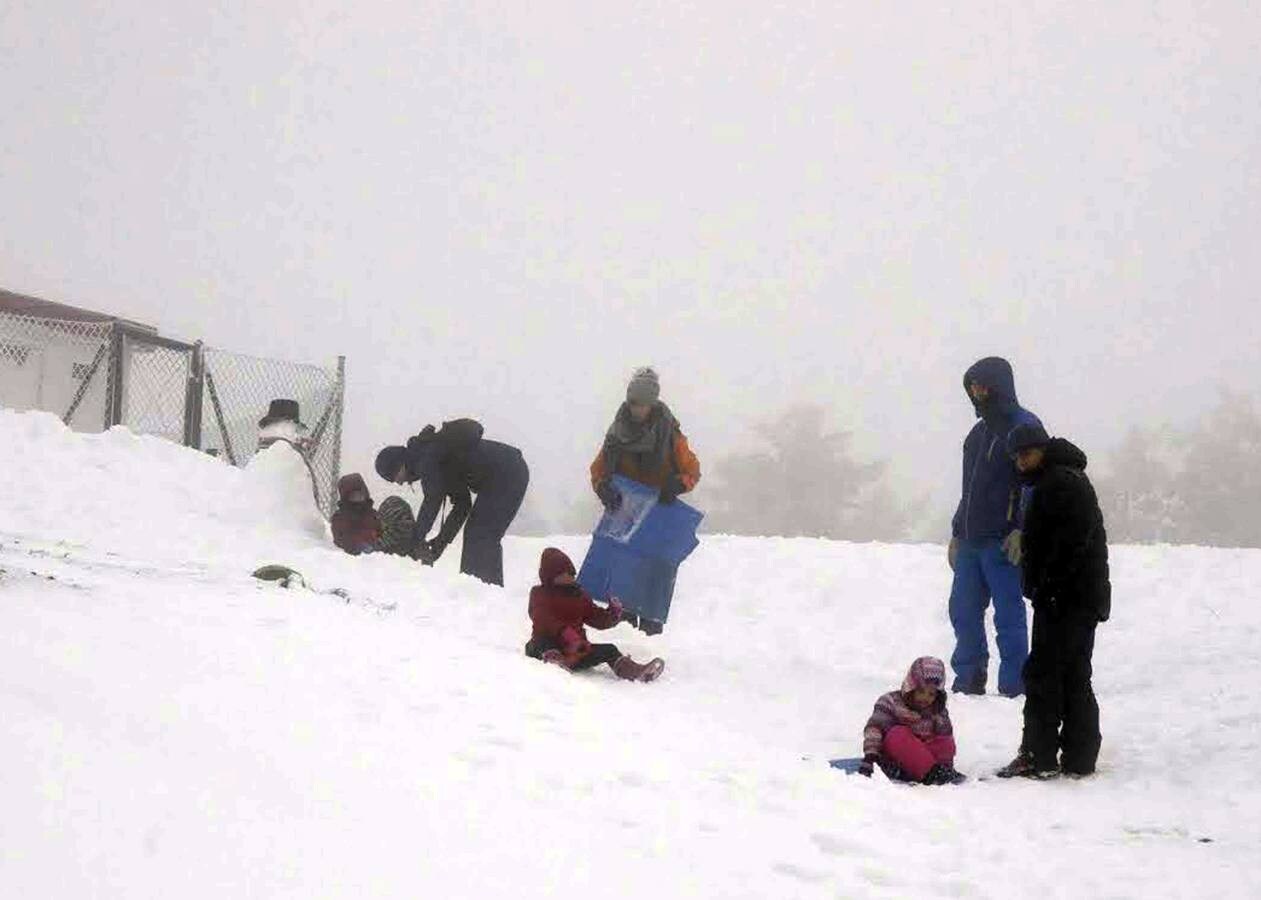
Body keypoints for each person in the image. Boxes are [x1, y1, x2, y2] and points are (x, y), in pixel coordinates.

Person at [997, 423, 1110, 779]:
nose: (1021, 462)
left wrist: (1046, 586)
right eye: (1016, 456)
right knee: (1074, 673)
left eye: (1027, 453)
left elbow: (1067, 544)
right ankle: (1079, 758)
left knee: (1045, 675)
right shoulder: (1065, 478)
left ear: (1042, 450)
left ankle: (1038, 755)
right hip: (1077, 597)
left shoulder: (1059, 483)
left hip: (1065, 599)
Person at [947, 357, 1043, 697]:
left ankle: (1015, 685)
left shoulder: (1023, 426)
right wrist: (957, 532)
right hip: (972, 541)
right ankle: (969, 678)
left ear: (999, 385)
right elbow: (968, 489)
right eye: (972, 386)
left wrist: (1023, 528)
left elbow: (1034, 482)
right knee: (962, 610)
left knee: (1009, 615)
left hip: (1003, 541)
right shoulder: (977, 434)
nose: (976, 391)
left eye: (982, 384)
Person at [374, 418, 528, 586]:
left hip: (507, 473)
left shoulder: (427, 458)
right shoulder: (435, 458)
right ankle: (476, 587)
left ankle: (483, 590)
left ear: (398, 464)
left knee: (482, 533)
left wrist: (415, 539)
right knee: (477, 532)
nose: (399, 483)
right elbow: (462, 505)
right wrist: (441, 542)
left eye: (394, 477)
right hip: (506, 472)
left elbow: (433, 498)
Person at [525, 548, 664, 682]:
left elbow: (597, 618)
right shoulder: (540, 594)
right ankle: (554, 664)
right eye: (561, 574)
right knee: (541, 643)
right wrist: (564, 632)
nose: (567, 577)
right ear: (550, 577)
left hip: (576, 650)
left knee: (609, 649)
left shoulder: (579, 595)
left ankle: (634, 672)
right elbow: (542, 618)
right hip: (547, 647)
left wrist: (613, 613)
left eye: (570, 573)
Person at [590, 366, 701, 511]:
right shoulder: (615, 436)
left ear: (652, 404)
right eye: (634, 403)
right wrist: (602, 488)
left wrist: (678, 484)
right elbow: (598, 472)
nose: (638, 409)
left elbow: (692, 471)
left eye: (644, 404)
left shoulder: (669, 434)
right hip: (626, 512)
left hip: (660, 510)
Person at [857, 656, 966, 785]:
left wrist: (946, 765)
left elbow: (945, 742)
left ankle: (938, 772)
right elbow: (874, 729)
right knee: (898, 734)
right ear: (911, 686)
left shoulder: (937, 710)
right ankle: (929, 773)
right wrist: (871, 756)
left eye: (931, 694)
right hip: (893, 758)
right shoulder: (890, 702)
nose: (926, 698)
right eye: (921, 691)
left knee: (944, 739)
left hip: (926, 760)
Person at [329, 473, 416, 557]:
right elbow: (343, 539)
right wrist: (370, 538)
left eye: (360, 495)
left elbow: (380, 529)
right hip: (361, 554)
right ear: (346, 498)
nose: (358, 498)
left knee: (394, 503)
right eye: (354, 496)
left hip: (379, 547)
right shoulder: (340, 518)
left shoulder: (371, 514)